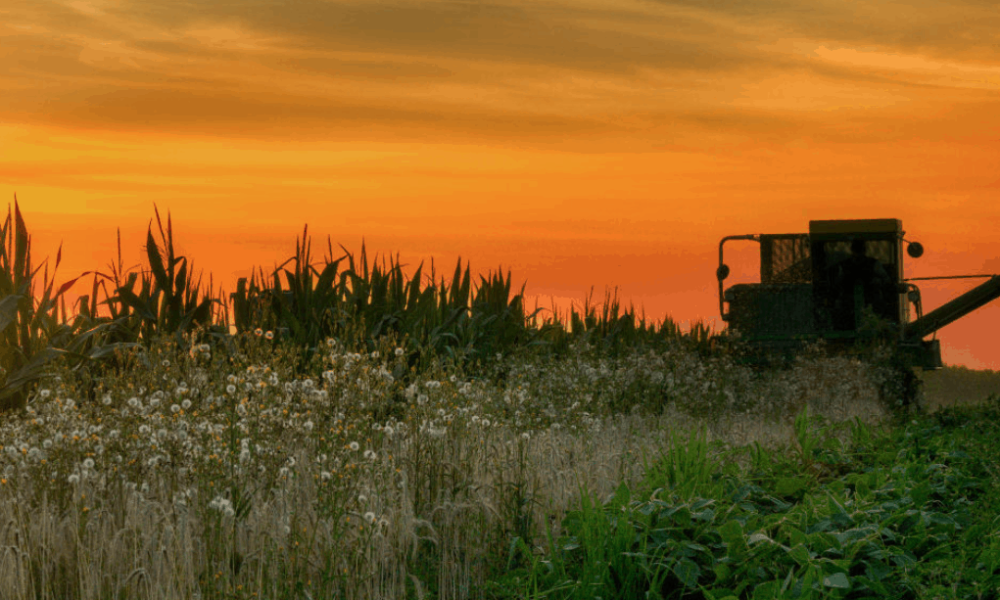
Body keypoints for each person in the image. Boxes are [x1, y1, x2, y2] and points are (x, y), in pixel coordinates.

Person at [832, 238, 892, 328]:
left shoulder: (873, 264)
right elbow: (837, 284)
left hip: (871, 301)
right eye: (856, 250)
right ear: (852, 250)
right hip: (849, 303)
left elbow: (886, 280)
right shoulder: (844, 266)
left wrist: (877, 283)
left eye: (860, 250)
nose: (858, 253)